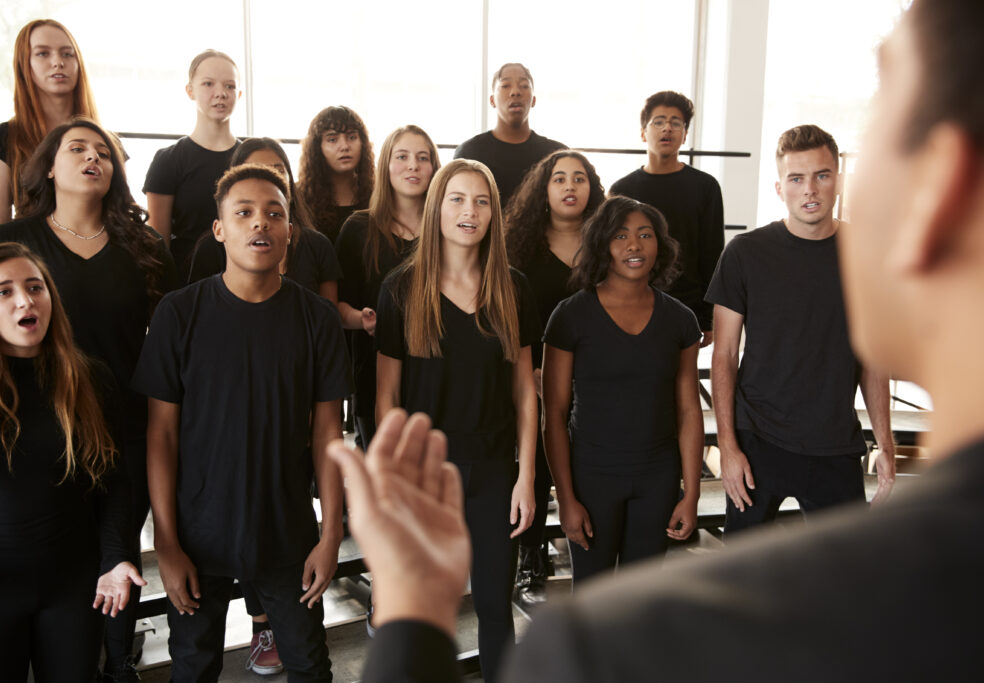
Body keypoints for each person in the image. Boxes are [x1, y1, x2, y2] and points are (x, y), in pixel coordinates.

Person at [338, 1, 984, 680]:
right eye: (797, 176)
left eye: (864, 134)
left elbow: (647, 399)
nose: (817, 194)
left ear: (940, 183)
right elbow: (549, 401)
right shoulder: (888, 603)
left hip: (570, 473)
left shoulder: (606, 645)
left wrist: (413, 613)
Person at [132, 164, 351, 681]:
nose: (261, 224)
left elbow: (328, 435)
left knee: (310, 663)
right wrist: (165, 542)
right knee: (192, 665)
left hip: (286, 531)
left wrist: (330, 534)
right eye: (245, 213)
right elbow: (160, 436)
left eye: (275, 214)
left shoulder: (316, 318)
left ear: (290, 233)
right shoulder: (178, 314)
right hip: (197, 531)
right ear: (219, 229)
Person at [0, 117, 178, 682]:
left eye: (104, 152)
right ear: (49, 165)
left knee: (116, 549)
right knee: (64, 553)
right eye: (77, 148)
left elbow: (164, 342)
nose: (93, 157)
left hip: (127, 422)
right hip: (37, 423)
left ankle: (119, 663)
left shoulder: (144, 246)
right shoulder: (13, 240)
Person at [375, 159, 539, 682]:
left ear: (493, 213)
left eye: (481, 201)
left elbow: (525, 393)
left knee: (495, 606)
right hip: (425, 474)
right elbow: (387, 397)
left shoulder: (513, 288)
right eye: (457, 199)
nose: (470, 211)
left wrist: (527, 476)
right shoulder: (402, 289)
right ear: (435, 208)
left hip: (492, 472)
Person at [0, 242, 145, 683]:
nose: (26, 300)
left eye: (35, 287)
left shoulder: (89, 377)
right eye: (4, 291)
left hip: (71, 588)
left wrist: (116, 557)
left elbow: (114, 480)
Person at [706, 124, 895, 536]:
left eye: (821, 176)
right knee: (742, 579)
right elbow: (724, 355)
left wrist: (885, 443)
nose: (810, 189)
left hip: (835, 444)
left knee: (846, 579)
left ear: (839, 181)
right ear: (780, 188)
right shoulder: (745, 254)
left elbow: (874, 360)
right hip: (758, 442)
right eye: (796, 179)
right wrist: (729, 447)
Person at [543, 196, 703, 586]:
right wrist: (566, 499)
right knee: (593, 599)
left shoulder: (680, 320)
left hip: (657, 478)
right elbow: (555, 416)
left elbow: (688, 411)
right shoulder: (571, 316)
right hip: (592, 477)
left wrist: (692, 492)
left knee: (640, 599)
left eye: (645, 235)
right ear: (602, 245)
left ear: (659, 246)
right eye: (621, 235)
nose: (634, 245)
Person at [503, 149, 604, 602]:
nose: (569, 186)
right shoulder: (519, 243)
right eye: (559, 178)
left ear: (592, 189)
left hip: (596, 372)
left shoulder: (606, 241)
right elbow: (509, 314)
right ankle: (531, 554)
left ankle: (591, 541)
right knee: (534, 463)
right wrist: (531, 370)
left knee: (588, 457)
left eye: (579, 178)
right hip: (535, 370)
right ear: (543, 190)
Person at [337, 124, 441, 447]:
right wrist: (362, 319)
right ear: (386, 166)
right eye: (403, 156)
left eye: (422, 158)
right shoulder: (358, 229)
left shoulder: (448, 227)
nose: (413, 165)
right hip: (375, 376)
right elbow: (337, 306)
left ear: (435, 169)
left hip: (439, 375)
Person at [609, 91, 725, 343]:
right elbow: (613, 253)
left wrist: (708, 317)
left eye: (676, 123)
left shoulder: (705, 187)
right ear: (643, 132)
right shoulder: (622, 189)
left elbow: (713, 255)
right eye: (659, 121)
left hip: (688, 305)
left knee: (681, 379)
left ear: (684, 135)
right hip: (631, 303)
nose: (667, 129)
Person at [188, 137, 342, 303]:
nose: (268, 180)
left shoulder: (317, 245)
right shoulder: (210, 249)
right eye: (256, 170)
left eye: (278, 171)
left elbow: (329, 315)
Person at [0, 19, 99, 234]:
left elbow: (118, 216)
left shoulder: (102, 140)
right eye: (43, 53)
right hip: (30, 262)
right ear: (24, 65)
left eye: (67, 53)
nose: (58, 62)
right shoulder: (3, 139)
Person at [143, 49, 242, 281]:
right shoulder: (168, 160)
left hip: (245, 279)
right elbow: (160, 246)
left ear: (239, 94)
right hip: (186, 281)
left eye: (229, 86)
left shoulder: (251, 156)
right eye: (208, 84)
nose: (221, 93)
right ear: (190, 91)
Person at [453, 63, 567, 206]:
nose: (515, 92)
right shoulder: (470, 153)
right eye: (505, 86)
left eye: (524, 86)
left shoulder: (556, 154)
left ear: (533, 100)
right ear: (492, 100)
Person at [297, 105, 375, 246]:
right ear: (317, 147)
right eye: (332, 139)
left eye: (352, 137)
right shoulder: (299, 197)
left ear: (363, 143)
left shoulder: (379, 194)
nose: (344, 146)